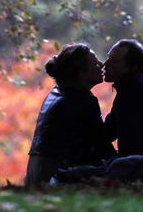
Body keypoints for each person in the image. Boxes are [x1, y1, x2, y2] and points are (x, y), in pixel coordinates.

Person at [24, 43, 115, 186]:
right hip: (56, 175)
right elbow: (102, 145)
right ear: (81, 73)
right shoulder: (83, 100)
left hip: (36, 171)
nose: (101, 64)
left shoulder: (56, 93)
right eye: (94, 63)